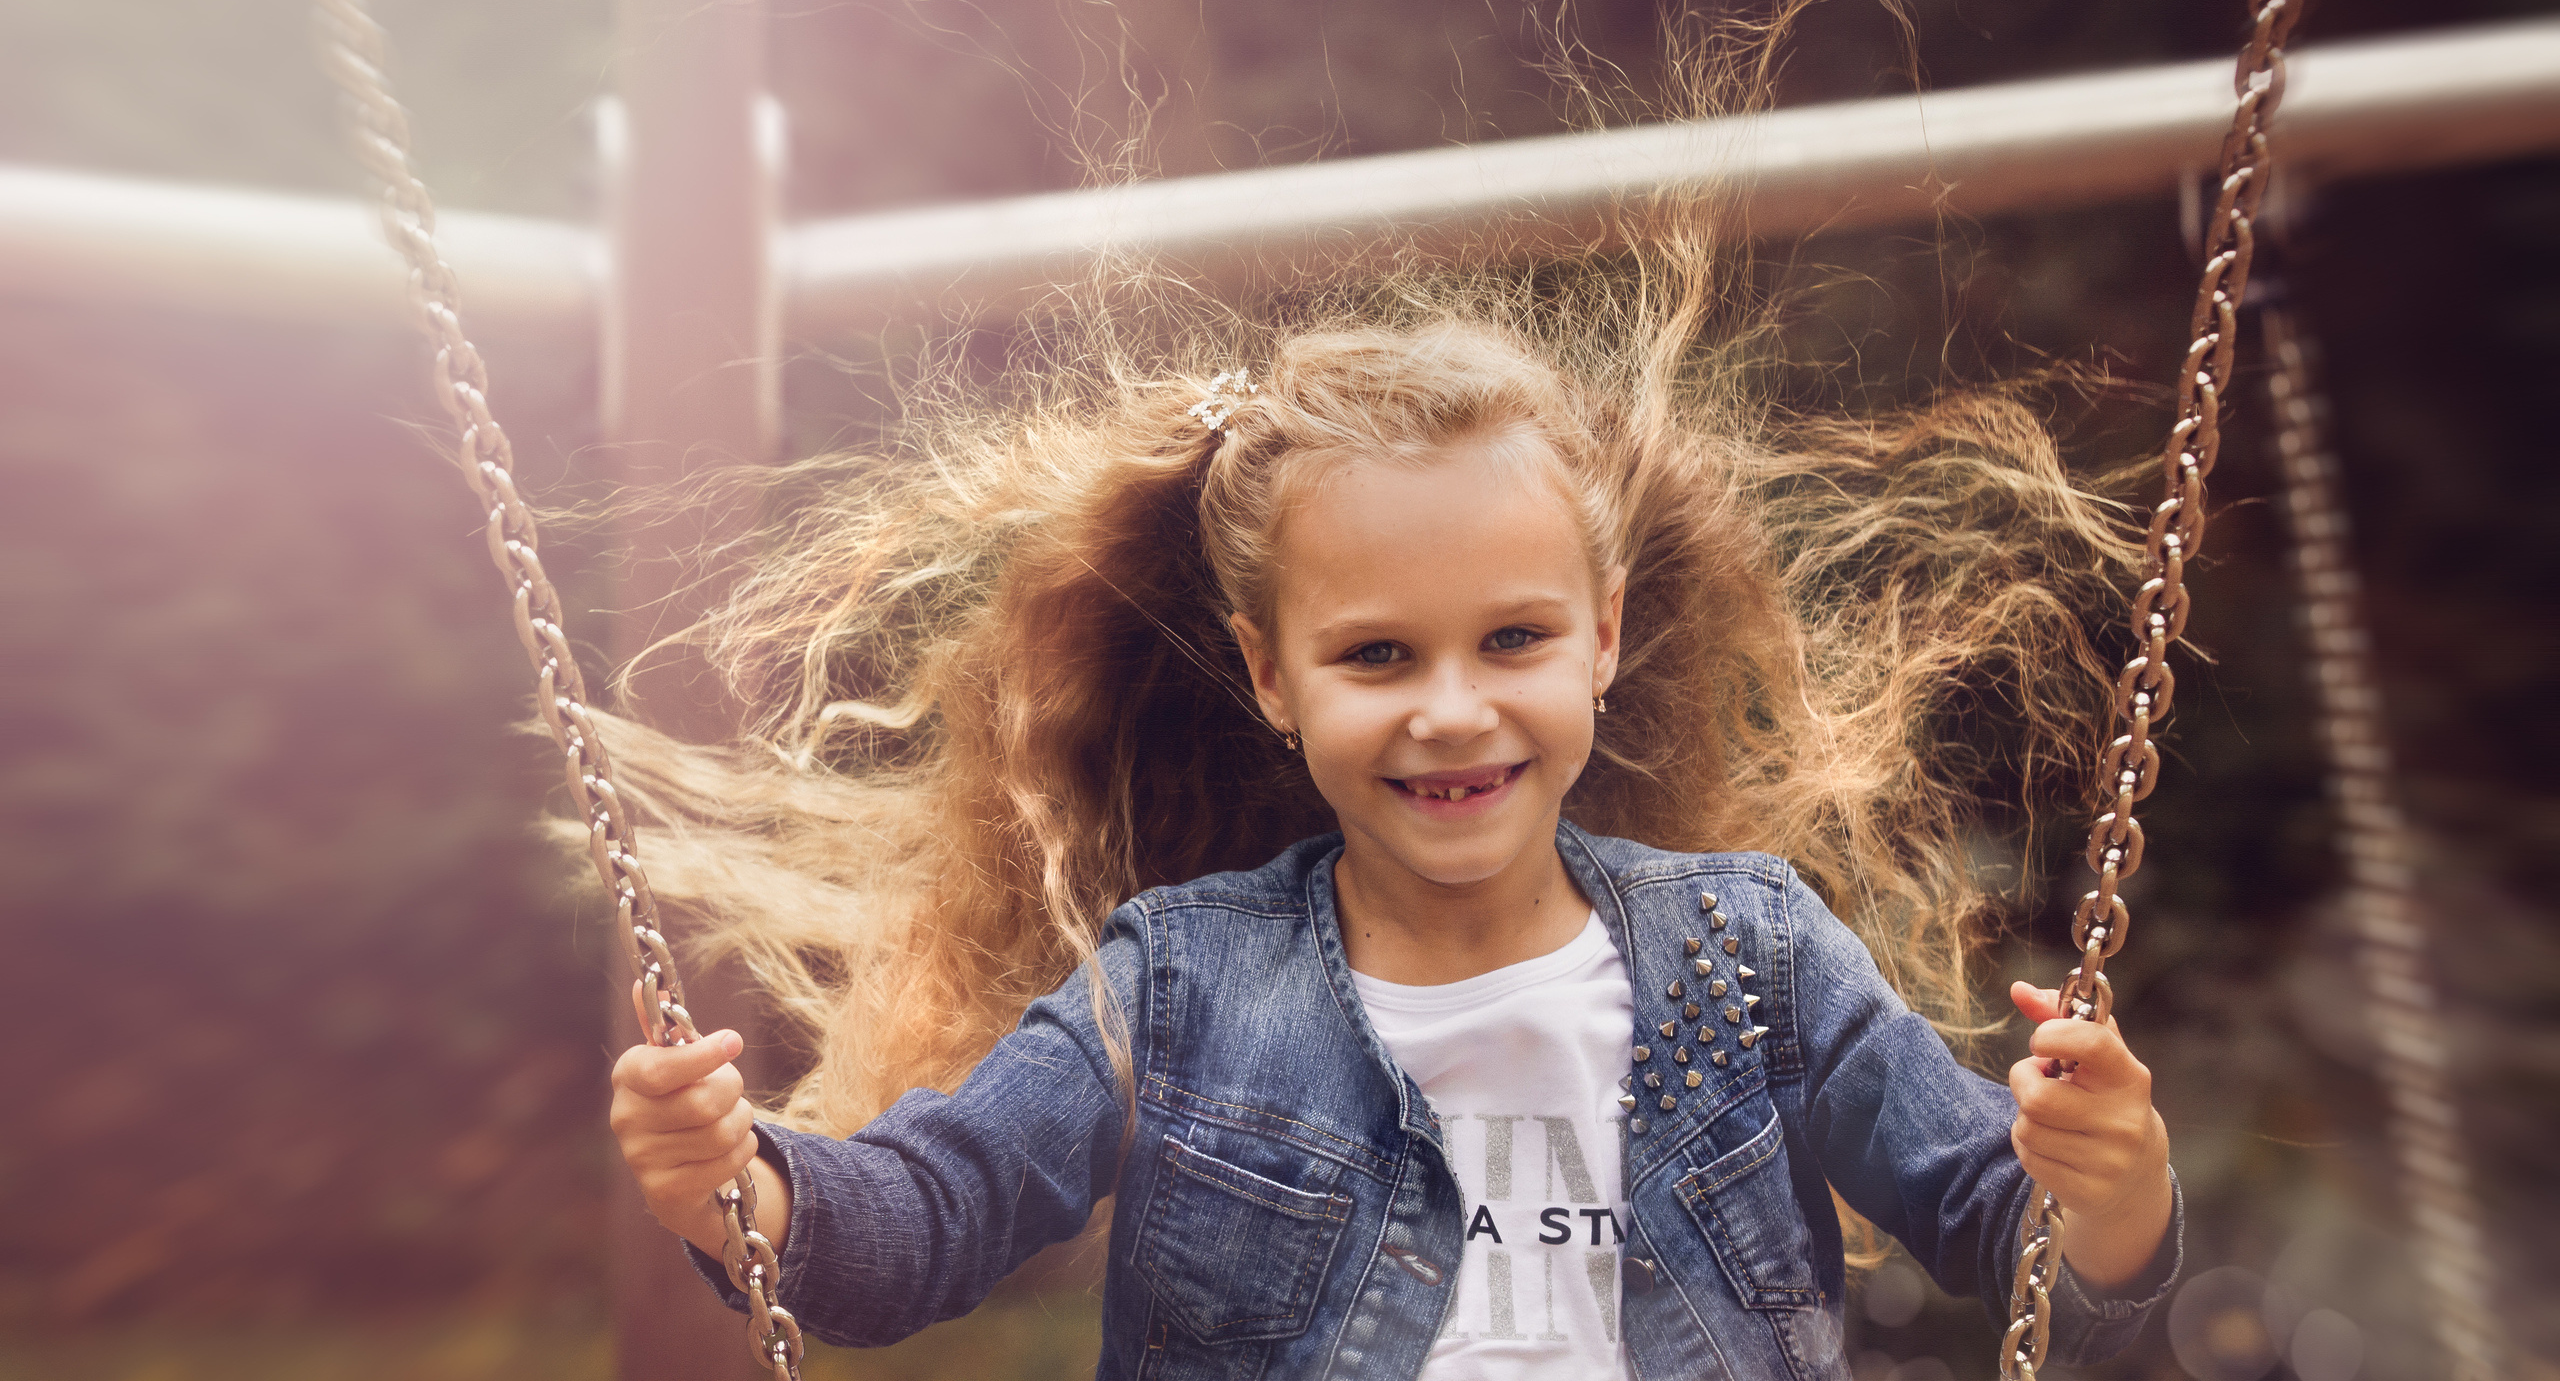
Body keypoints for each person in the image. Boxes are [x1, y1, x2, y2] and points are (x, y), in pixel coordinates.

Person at [594, 265, 2182, 1376]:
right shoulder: (1178, 991)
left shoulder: (1753, 958)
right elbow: (932, 1215)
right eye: (1374, 656)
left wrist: (2107, 1186)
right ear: (1271, 676)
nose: (1449, 709)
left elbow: (2015, 1237)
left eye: (1513, 641)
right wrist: (751, 1188)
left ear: (1605, 637)